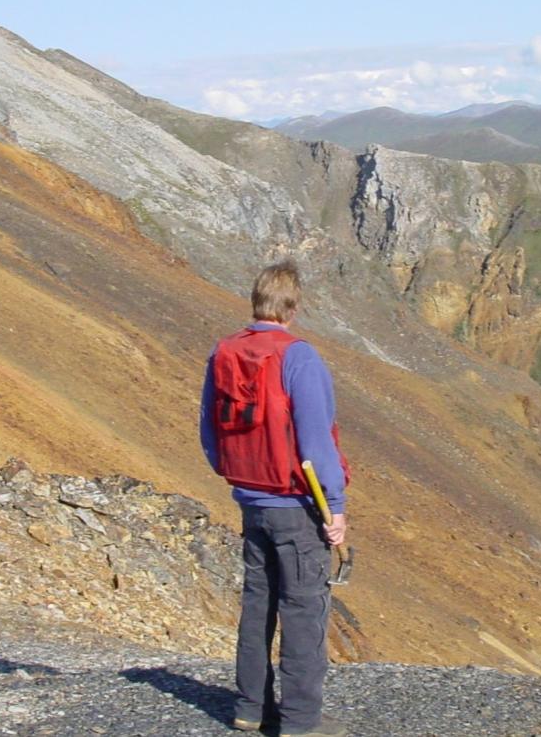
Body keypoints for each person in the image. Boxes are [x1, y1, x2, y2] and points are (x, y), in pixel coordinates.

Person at [200, 260, 350, 737]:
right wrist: (337, 505)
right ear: (293, 305)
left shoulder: (224, 352)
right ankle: (302, 722)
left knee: (257, 603)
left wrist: (239, 478)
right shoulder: (298, 357)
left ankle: (249, 709)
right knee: (304, 609)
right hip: (297, 506)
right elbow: (317, 441)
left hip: (251, 500)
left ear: (256, 300)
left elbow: (209, 432)